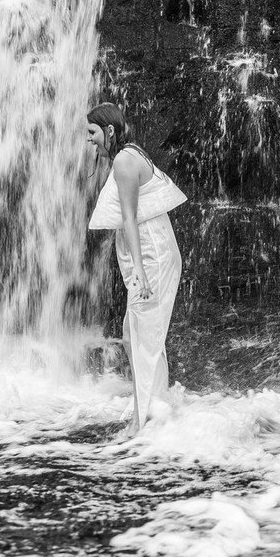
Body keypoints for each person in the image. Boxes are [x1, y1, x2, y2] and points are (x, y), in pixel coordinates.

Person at [86, 103, 186, 436]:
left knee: (141, 336)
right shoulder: (131, 153)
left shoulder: (124, 160)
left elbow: (129, 217)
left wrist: (140, 271)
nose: (89, 141)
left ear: (109, 131)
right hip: (153, 252)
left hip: (152, 256)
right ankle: (154, 414)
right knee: (137, 335)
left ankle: (142, 423)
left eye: (92, 133)